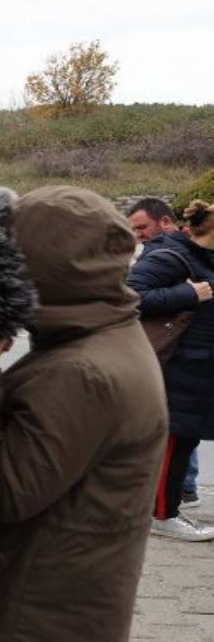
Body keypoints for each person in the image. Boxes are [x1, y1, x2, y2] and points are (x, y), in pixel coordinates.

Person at [0, 187, 168, 642]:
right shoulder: (100, 337)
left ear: (34, 269)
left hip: (29, 614)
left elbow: (7, 492)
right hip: (50, 603)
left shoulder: (81, 371)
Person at [127, 199, 214, 540]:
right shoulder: (170, 256)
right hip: (180, 367)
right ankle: (162, 516)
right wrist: (187, 294)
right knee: (174, 441)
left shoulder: (204, 258)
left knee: (184, 440)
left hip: (201, 367)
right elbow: (130, 297)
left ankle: (164, 511)